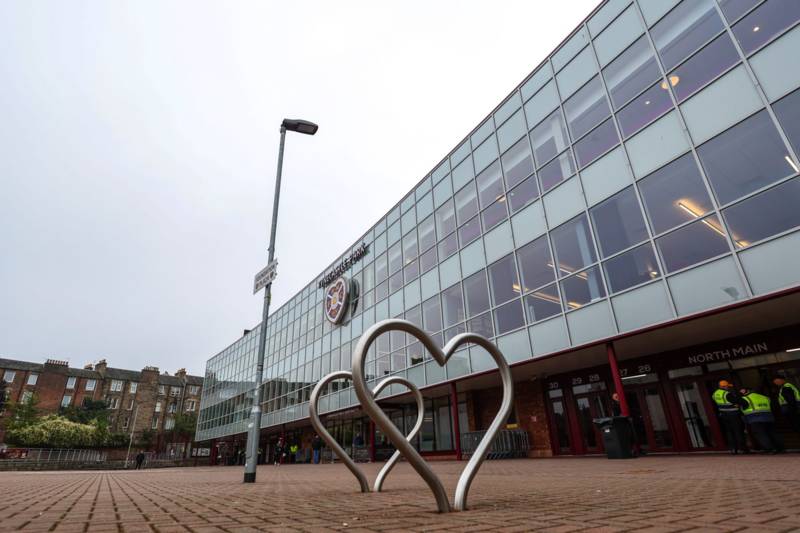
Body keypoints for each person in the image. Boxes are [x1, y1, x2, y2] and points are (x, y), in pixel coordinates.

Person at [739, 388, 783, 453]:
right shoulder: (765, 397)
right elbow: (773, 407)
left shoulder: (744, 398)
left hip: (755, 419)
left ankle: (769, 449)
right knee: (773, 433)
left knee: (761, 434)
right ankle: (780, 448)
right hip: (769, 418)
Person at [712, 380, 749, 454]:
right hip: (733, 414)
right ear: (723, 386)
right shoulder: (727, 394)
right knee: (738, 431)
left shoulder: (715, 394)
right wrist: (740, 394)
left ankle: (733, 449)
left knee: (729, 432)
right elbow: (737, 401)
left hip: (724, 415)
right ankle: (742, 449)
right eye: (727, 386)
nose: (728, 388)